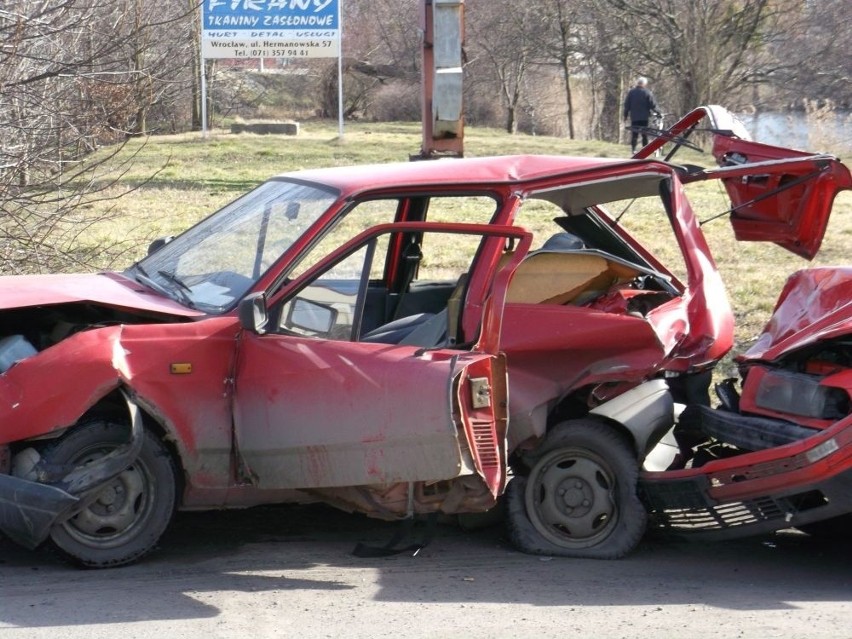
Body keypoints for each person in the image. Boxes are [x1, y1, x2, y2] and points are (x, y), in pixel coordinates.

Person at [623, 77, 660, 154]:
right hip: (644, 117)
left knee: (634, 134)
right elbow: (653, 105)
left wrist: (625, 115)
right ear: (644, 84)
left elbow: (627, 105)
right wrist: (659, 113)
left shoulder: (631, 92)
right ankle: (644, 150)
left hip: (634, 117)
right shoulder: (647, 92)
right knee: (645, 134)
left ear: (638, 83)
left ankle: (633, 149)